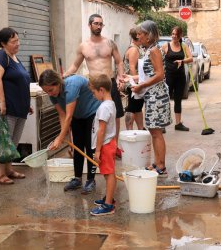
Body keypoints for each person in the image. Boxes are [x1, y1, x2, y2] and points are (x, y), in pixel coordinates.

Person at [63, 13, 125, 158]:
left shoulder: (110, 43)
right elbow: (75, 65)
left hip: (109, 83)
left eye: (101, 24)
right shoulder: (83, 46)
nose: (99, 26)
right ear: (89, 25)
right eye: (96, 23)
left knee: (114, 116)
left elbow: (119, 62)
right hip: (94, 86)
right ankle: (96, 146)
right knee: (95, 116)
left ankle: (114, 145)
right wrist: (65, 75)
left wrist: (121, 77)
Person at [39, 69, 100, 194]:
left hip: (92, 113)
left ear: (58, 83)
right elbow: (62, 115)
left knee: (90, 147)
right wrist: (63, 134)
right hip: (78, 116)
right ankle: (77, 179)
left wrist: (60, 138)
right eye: (46, 91)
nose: (49, 94)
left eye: (50, 90)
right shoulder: (53, 95)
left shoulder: (71, 86)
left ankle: (90, 180)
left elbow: (68, 116)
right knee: (77, 146)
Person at [0, 27, 33, 185]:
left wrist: (26, 103)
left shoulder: (14, 57)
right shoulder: (0, 56)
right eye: (14, 41)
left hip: (19, 108)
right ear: (3, 43)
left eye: (18, 40)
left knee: (13, 142)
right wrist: (2, 102)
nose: (18, 44)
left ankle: (8, 170)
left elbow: (21, 82)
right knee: (4, 141)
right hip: (7, 109)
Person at [131, 20, 172, 176]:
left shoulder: (154, 50)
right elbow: (148, 74)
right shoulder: (150, 49)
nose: (138, 35)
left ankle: (161, 165)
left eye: (140, 33)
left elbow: (159, 75)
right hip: (152, 94)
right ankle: (157, 162)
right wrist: (132, 77)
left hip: (156, 95)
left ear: (148, 35)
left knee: (156, 132)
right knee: (154, 131)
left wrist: (141, 86)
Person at [88, 74, 117, 216]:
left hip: (105, 145)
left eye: (93, 92)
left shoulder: (104, 107)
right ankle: (109, 198)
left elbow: (101, 131)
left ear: (101, 90)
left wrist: (98, 151)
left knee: (109, 174)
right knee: (109, 174)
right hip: (108, 143)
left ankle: (108, 205)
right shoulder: (110, 104)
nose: (93, 96)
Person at [161, 26, 193, 131]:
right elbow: (159, 60)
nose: (174, 36)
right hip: (169, 77)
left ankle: (178, 123)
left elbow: (191, 58)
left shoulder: (183, 46)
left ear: (180, 36)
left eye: (176, 34)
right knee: (166, 100)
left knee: (178, 100)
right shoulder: (166, 46)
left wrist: (182, 61)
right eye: (173, 34)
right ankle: (163, 125)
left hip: (180, 77)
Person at [123, 27, 145, 130]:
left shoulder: (136, 48)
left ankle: (141, 128)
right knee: (132, 108)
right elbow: (132, 67)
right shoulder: (134, 50)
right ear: (137, 36)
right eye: (141, 34)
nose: (143, 36)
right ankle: (129, 130)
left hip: (134, 82)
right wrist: (136, 84)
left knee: (138, 108)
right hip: (133, 84)